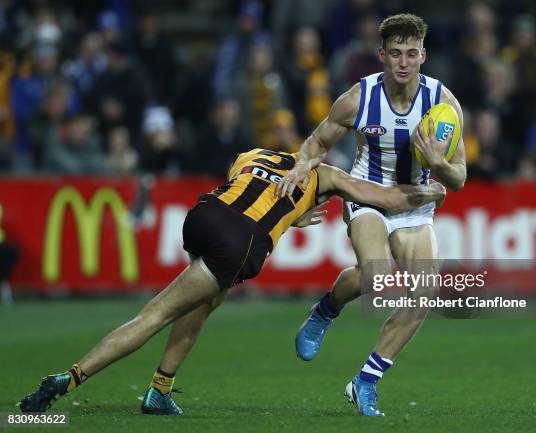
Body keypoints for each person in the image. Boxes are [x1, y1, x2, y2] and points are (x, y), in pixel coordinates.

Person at [20, 147, 446, 415]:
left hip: (201, 216)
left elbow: (249, 194)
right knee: (156, 316)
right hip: (239, 244)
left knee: (203, 301)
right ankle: (67, 379)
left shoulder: (252, 154)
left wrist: (292, 217)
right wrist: (432, 191)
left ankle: (159, 390)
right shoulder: (327, 175)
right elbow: (385, 198)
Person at [276, 13, 467, 416]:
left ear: (423, 55)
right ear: (381, 54)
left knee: (423, 293)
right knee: (377, 274)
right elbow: (319, 140)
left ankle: (367, 378)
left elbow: (460, 177)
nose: (403, 62)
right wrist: (300, 165)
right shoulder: (359, 98)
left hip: (415, 199)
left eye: (411, 54)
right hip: (368, 193)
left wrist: (439, 162)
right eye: (395, 53)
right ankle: (327, 308)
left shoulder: (443, 104)